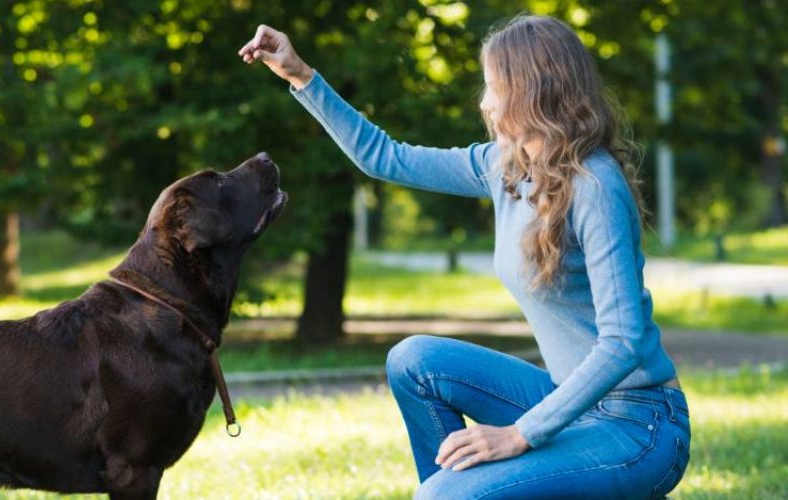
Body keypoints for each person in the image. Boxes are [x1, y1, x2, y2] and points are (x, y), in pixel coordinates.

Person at [239, 15, 690, 499]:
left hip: (639, 426)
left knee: (443, 496)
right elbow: (384, 156)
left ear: (530, 90)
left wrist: (520, 435)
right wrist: (302, 76)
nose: (485, 102)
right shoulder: (506, 168)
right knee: (415, 361)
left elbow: (623, 343)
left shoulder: (595, 188)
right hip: (573, 404)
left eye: (494, 86)